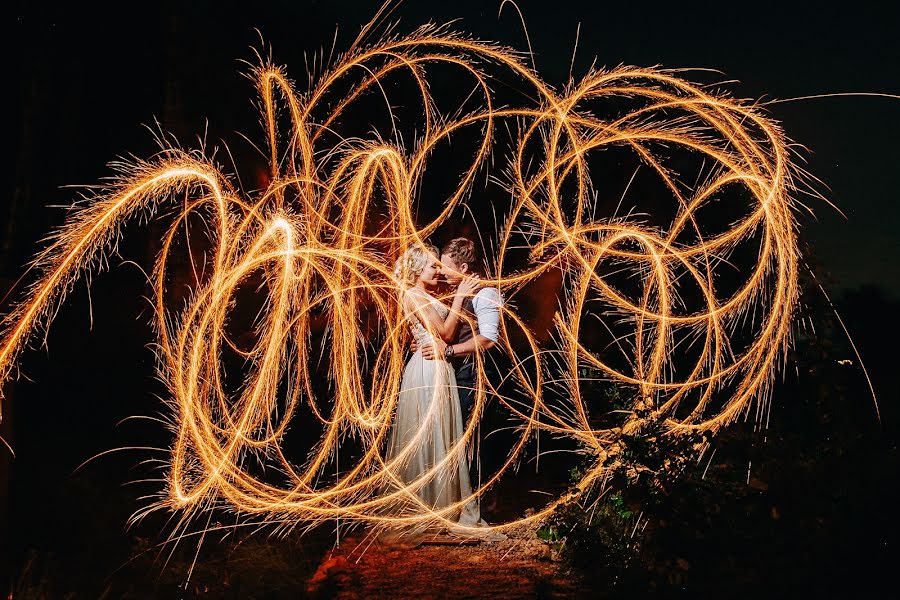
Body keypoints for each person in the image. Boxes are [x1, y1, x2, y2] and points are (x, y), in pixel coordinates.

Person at [383, 243, 499, 541]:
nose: (437, 270)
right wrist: (459, 299)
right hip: (431, 369)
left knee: (442, 437)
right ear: (417, 269)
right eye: (433, 266)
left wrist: (432, 340)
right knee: (432, 436)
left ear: (462, 268)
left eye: (440, 265)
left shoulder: (442, 294)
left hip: (442, 366)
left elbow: (475, 337)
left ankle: (443, 501)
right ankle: (431, 505)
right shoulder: (416, 294)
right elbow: (445, 333)